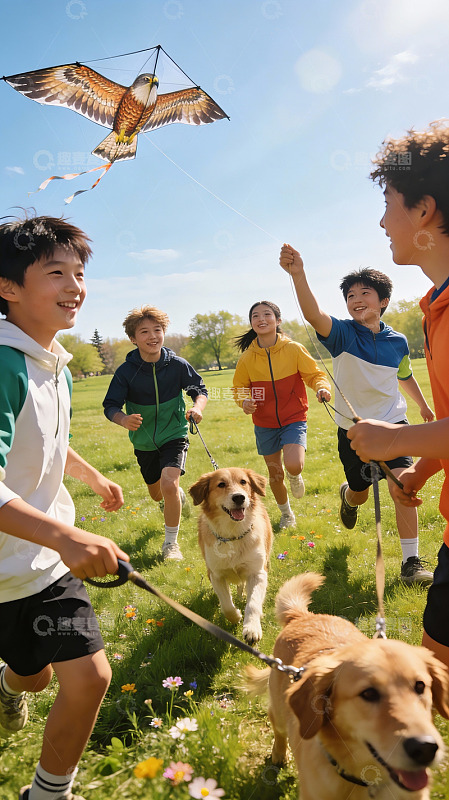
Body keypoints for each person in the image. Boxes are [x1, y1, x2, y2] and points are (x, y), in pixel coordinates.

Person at [0, 214, 129, 800]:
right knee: (32, 678)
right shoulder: (4, 364)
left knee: (89, 677)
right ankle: (10, 683)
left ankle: (48, 794)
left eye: (79, 273)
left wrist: (91, 476)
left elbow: (47, 437)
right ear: (8, 287)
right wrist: (67, 537)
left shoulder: (54, 364)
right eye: (56, 273)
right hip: (13, 564)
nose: (74, 285)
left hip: (45, 564)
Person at [346, 121, 449, 668]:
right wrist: (423, 470)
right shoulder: (434, 308)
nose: (383, 221)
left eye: (388, 204)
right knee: (433, 678)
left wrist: (395, 440)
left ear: (424, 210)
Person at [279, 248, 434, 585]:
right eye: (351, 295)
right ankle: (349, 495)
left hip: (393, 425)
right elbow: (313, 314)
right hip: (354, 432)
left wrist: (422, 405)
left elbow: (404, 375)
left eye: (365, 293)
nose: (357, 299)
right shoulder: (342, 334)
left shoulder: (398, 341)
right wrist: (298, 275)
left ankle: (410, 563)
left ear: (384, 301)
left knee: (403, 485)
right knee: (361, 492)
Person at [103, 305, 208, 561]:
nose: (153, 336)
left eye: (157, 330)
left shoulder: (177, 365)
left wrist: (197, 408)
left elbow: (199, 390)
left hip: (175, 433)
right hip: (144, 441)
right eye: (144, 332)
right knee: (157, 493)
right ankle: (171, 497)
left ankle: (171, 544)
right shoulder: (126, 372)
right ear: (133, 338)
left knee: (169, 484)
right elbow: (110, 406)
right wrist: (123, 419)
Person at [232, 301, 331, 529]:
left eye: (267, 314)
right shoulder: (247, 358)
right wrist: (244, 401)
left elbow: (314, 375)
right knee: (275, 475)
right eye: (255, 316)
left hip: (293, 417)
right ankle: (287, 515)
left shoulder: (293, 349)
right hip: (264, 423)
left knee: (293, 464)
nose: (261, 319)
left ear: (278, 320)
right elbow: (239, 388)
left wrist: (321, 388)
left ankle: (295, 475)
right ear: (251, 323)